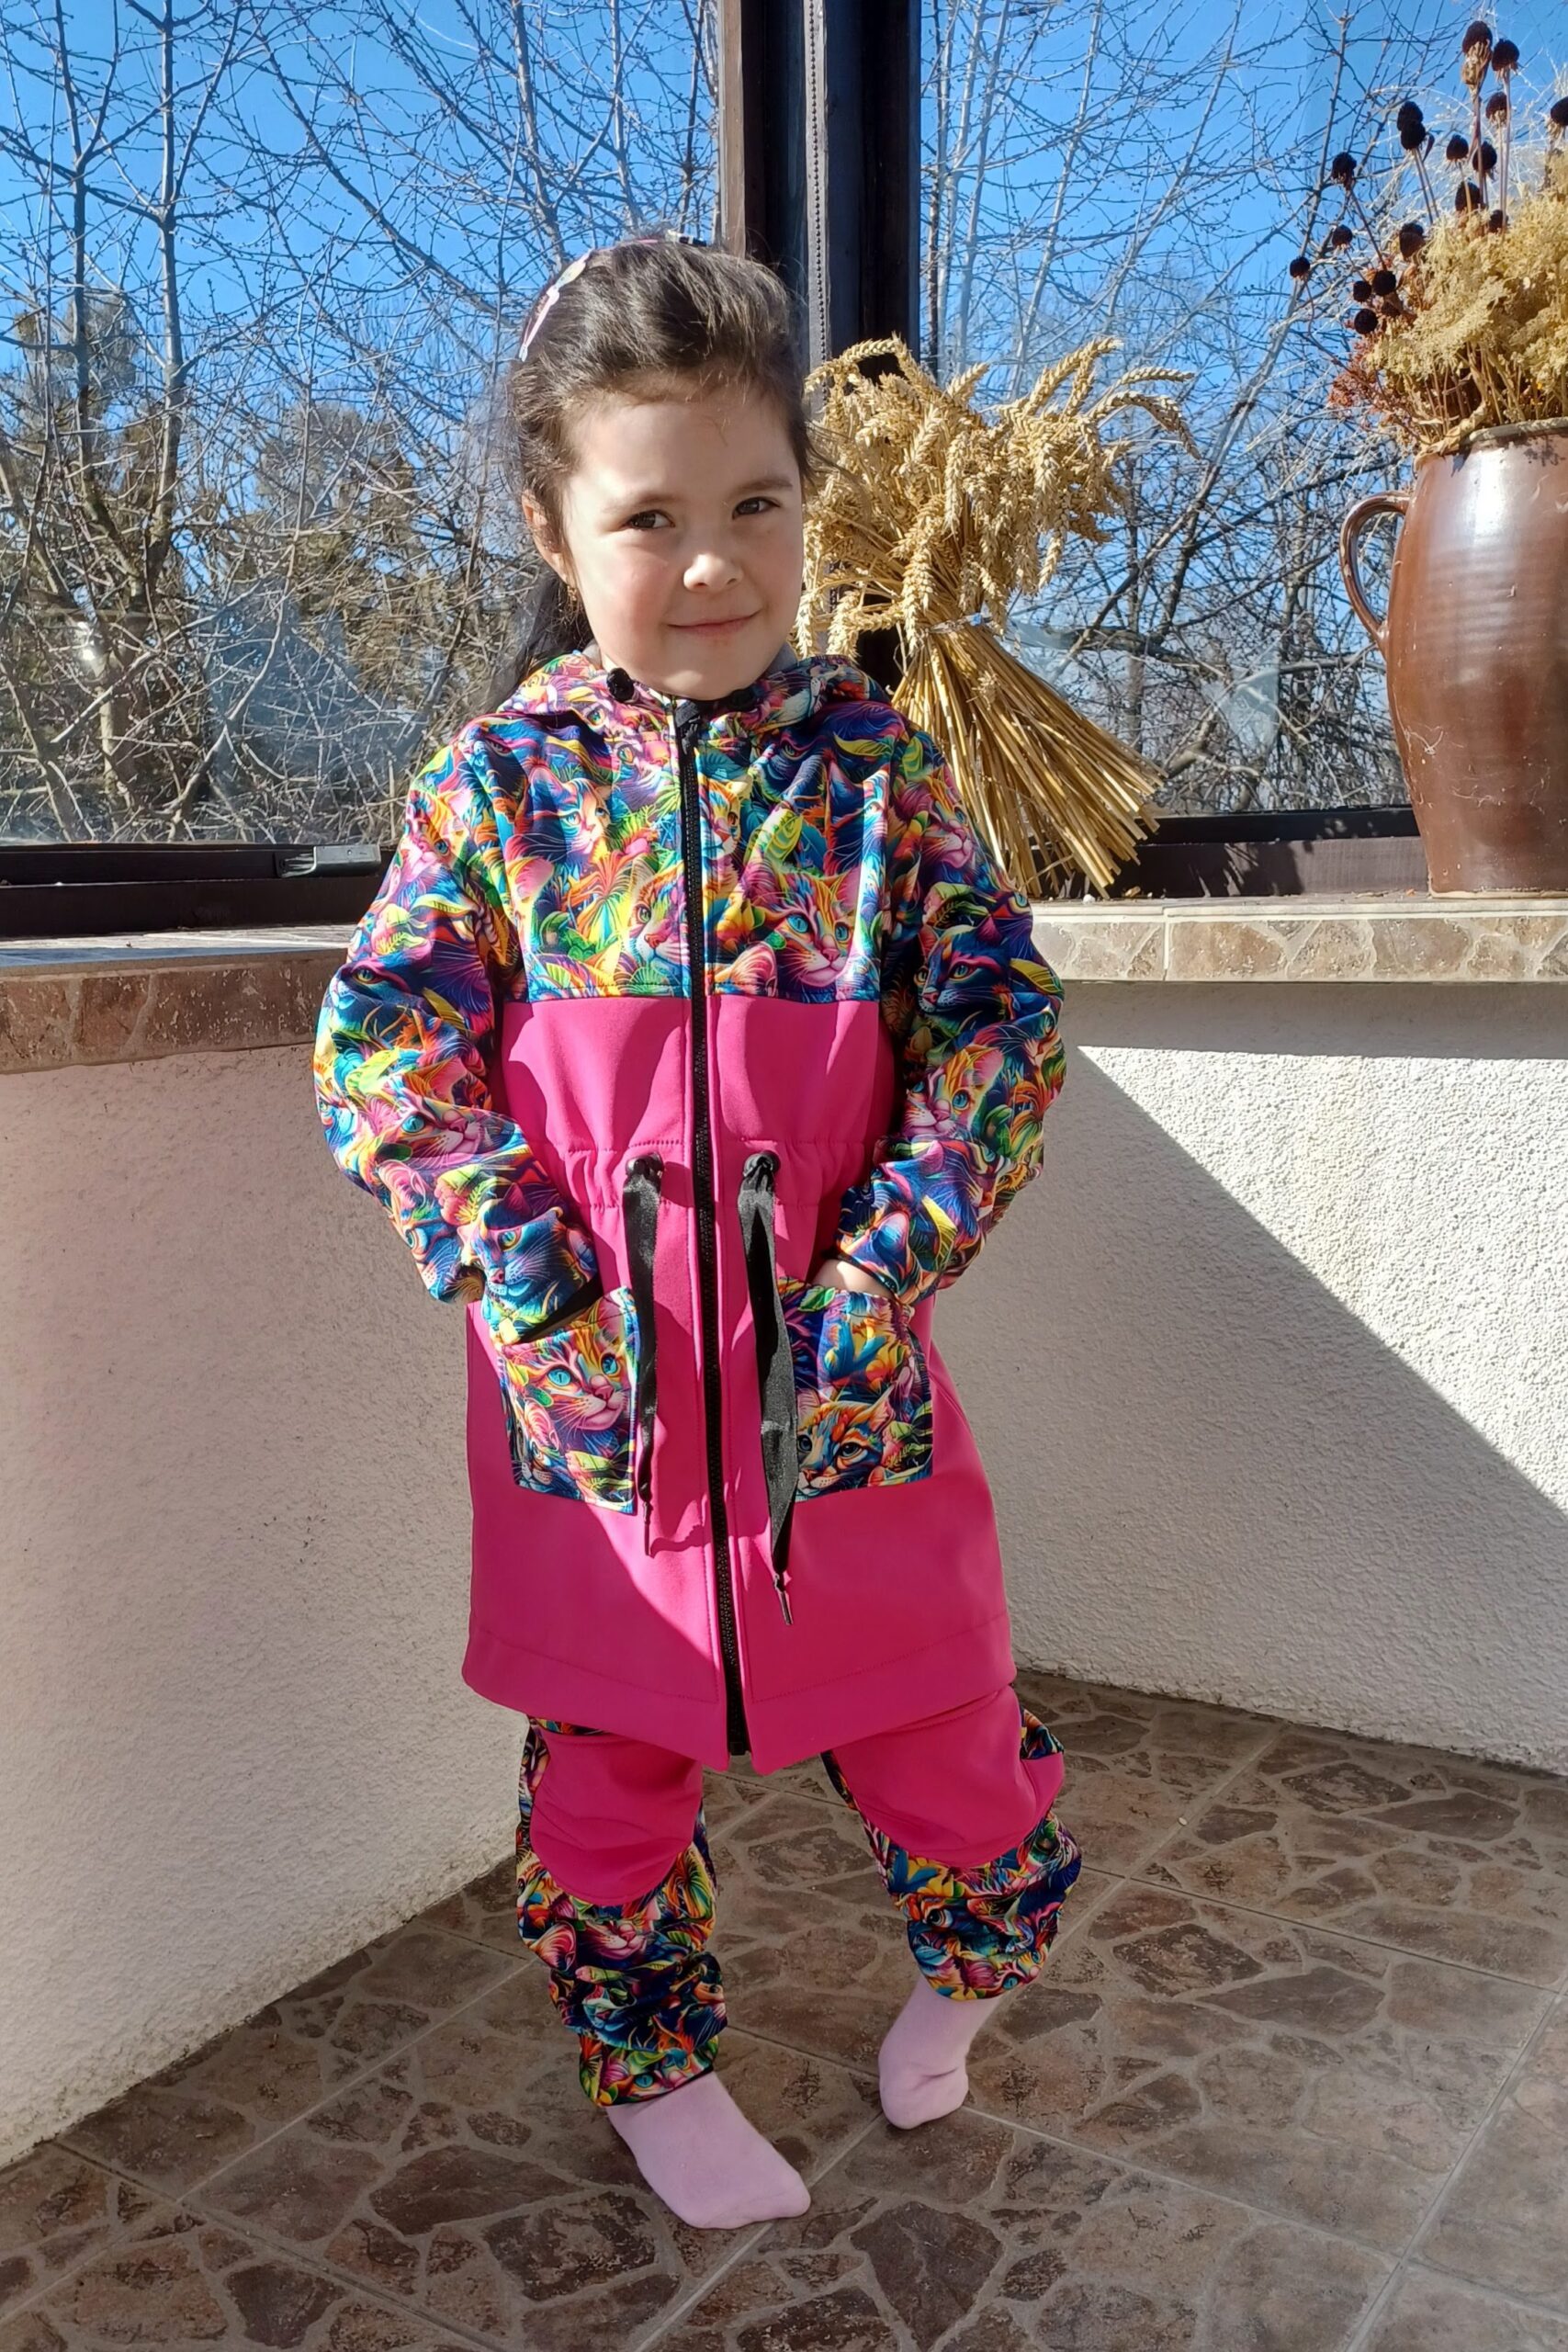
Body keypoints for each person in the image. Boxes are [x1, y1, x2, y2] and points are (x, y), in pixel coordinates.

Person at [311, 229, 1082, 2233]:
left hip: (845, 1401)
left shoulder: (874, 775)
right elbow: (382, 1050)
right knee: (604, 1794)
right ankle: (652, 2071)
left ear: (806, 508)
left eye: (757, 505)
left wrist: (887, 1257)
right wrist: (528, 1282)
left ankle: (966, 1978)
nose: (715, 562)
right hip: (600, 1428)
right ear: (555, 529)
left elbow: (999, 1024)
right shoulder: (498, 795)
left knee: (958, 1758)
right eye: (650, 516)